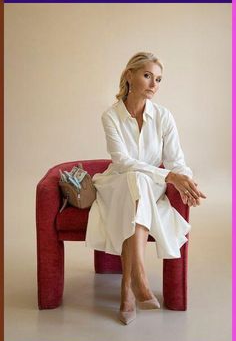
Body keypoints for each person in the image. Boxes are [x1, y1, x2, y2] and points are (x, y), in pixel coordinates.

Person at [85, 51, 206, 325]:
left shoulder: (164, 117)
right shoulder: (110, 116)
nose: (154, 84)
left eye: (159, 79)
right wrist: (170, 176)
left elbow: (177, 160)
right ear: (130, 75)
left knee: (139, 183)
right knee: (133, 179)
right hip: (115, 183)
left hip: (151, 186)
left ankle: (128, 288)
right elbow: (123, 161)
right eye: (147, 75)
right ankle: (137, 279)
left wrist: (186, 181)